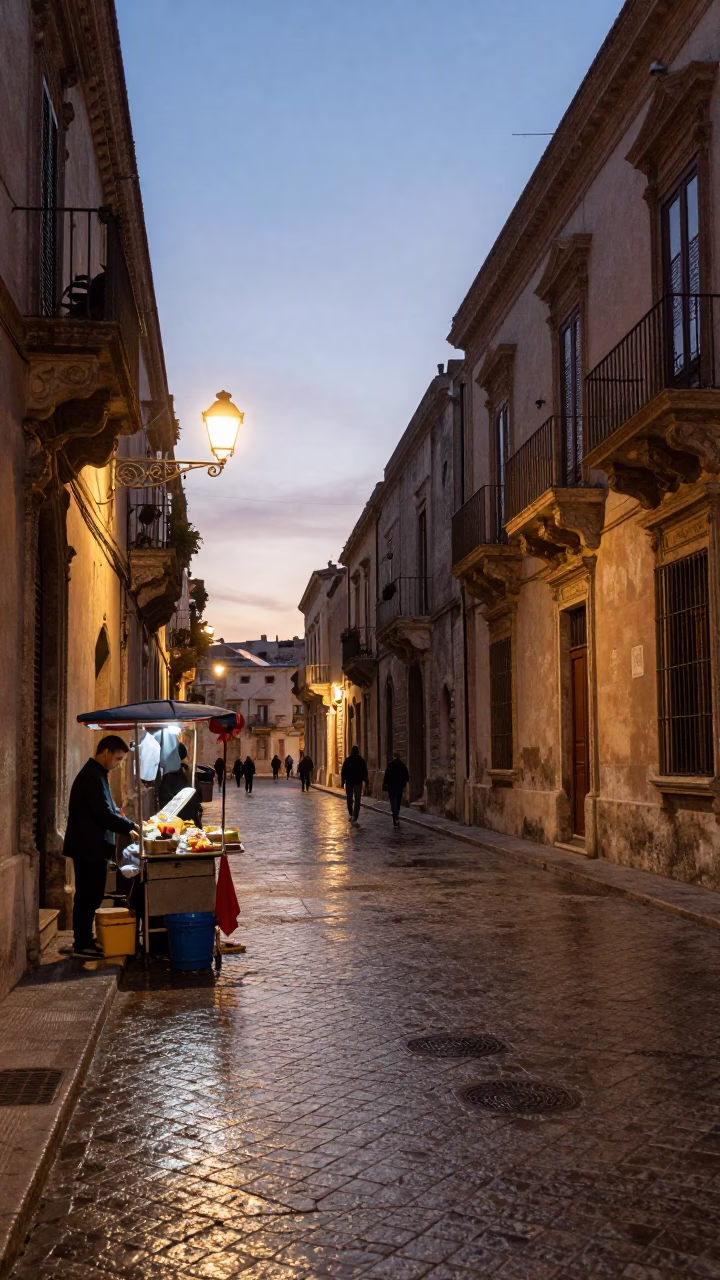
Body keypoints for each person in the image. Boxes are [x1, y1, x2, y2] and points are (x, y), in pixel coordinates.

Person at [63, 736, 139, 958]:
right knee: (88, 895)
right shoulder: (92, 777)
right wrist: (130, 826)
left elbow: (109, 808)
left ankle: (85, 938)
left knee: (92, 894)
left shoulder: (98, 774)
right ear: (105, 752)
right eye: (117, 758)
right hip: (88, 846)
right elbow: (103, 814)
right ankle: (82, 943)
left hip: (92, 846)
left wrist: (125, 821)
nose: (117, 763)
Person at [159, 743, 201, 825]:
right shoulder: (185, 769)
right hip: (190, 818)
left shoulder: (173, 773)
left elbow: (168, 798)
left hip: (181, 820)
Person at [341, 744, 368, 825]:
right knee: (356, 800)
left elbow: (343, 771)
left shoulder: (348, 760)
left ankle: (352, 814)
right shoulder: (361, 760)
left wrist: (343, 781)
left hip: (351, 783)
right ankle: (354, 816)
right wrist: (366, 782)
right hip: (357, 783)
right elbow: (365, 772)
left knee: (350, 800)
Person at [382, 753, 410, 828]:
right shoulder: (403, 765)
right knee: (398, 802)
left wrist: (384, 786)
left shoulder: (390, 765)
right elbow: (407, 777)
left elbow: (386, 776)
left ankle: (395, 817)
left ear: (394, 757)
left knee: (393, 802)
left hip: (392, 787)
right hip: (399, 786)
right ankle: (396, 815)